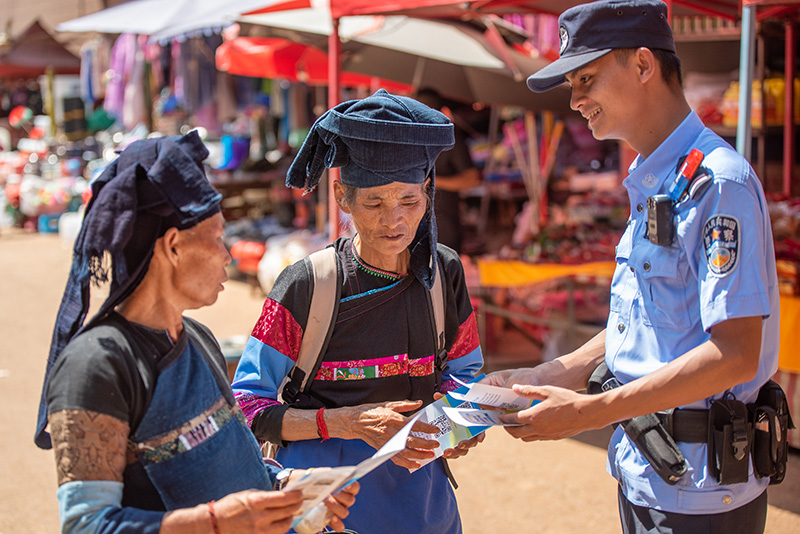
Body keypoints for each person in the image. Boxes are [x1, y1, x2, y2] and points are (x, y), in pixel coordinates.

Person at [485, 1, 780, 533]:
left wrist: (590, 412)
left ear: (644, 66)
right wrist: (553, 373)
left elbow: (735, 355)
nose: (575, 101)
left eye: (587, 79)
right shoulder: (656, 178)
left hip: (701, 492)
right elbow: (646, 317)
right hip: (649, 468)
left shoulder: (717, 183)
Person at [34, 131, 358, 534]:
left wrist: (286, 486)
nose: (227, 256)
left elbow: (237, 462)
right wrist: (216, 523)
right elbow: (86, 525)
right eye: (218, 238)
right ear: (172, 246)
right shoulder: (97, 364)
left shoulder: (199, 338)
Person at [232, 89, 485, 534]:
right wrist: (345, 422)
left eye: (409, 201)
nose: (395, 221)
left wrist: (458, 429)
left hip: (425, 512)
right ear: (342, 197)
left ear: (428, 192)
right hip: (329, 515)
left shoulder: (444, 273)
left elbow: (465, 379)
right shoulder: (307, 285)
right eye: (374, 203)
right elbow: (245, 407)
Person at [416, 88, 480, 253]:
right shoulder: (409, 137)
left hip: (444, 229)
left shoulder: (450, 137)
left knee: (443, 275)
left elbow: (472, 179)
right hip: (413, 227)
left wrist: (434, 181)